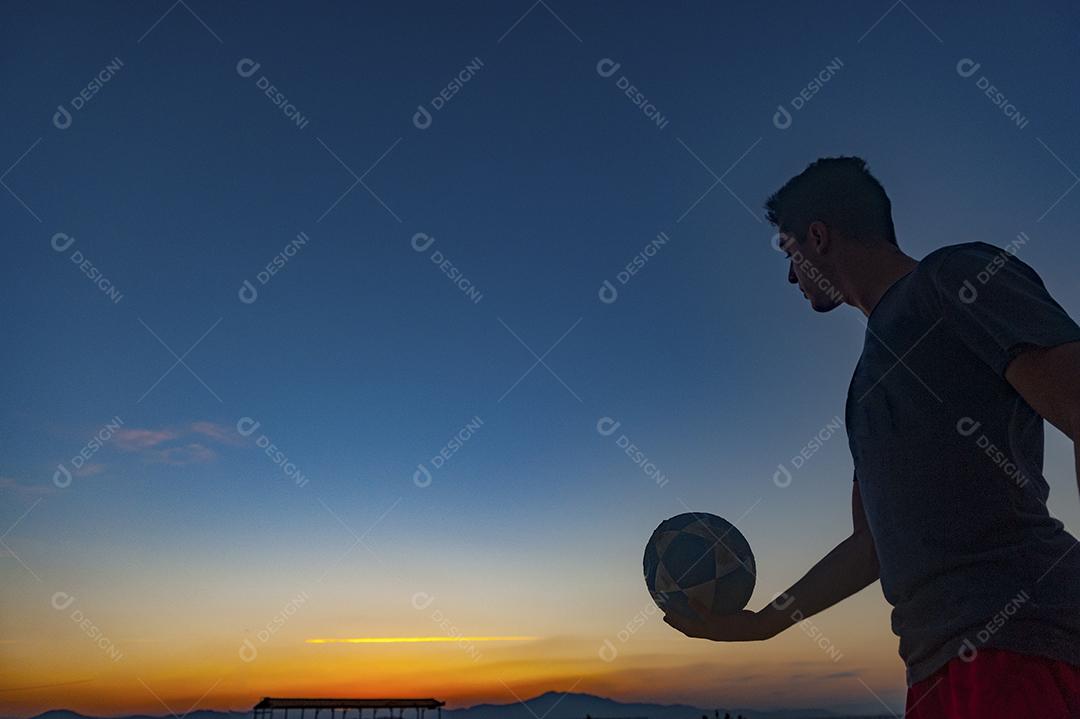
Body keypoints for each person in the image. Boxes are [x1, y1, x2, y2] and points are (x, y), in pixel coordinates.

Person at [662, 157, 1080, 717]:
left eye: (789, 254)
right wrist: (762, 626)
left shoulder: (954, 279)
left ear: (817, 237)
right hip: (934, 665)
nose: (790, 275)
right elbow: (871, 545)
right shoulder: (864, 387)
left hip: (1022, 644)